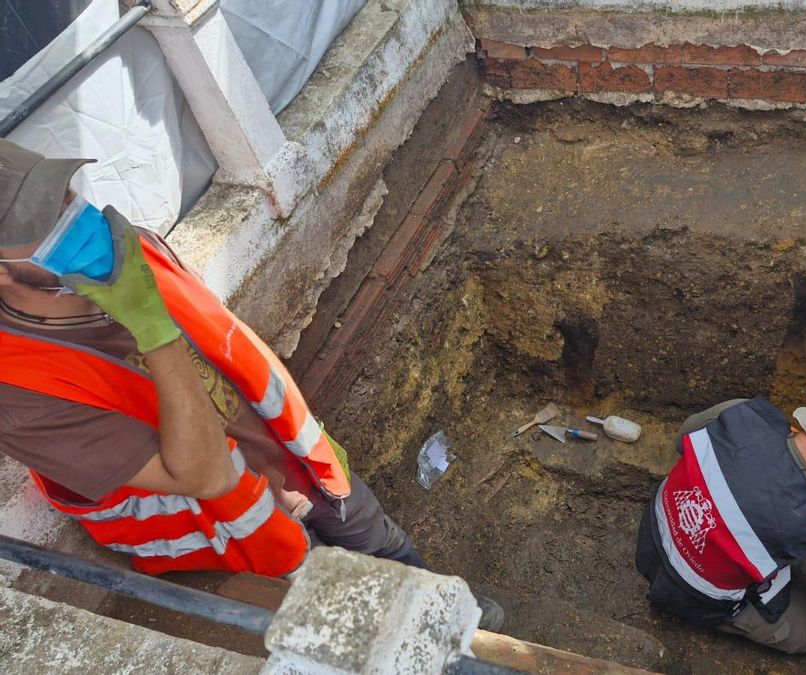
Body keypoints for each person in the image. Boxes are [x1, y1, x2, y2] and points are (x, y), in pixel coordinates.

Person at [0, 140, 502, 629]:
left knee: (378, 537)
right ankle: (430, 647)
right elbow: (207, 477)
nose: (77, 220)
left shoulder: (135, 251)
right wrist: (151, 327)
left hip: (294, 457)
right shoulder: (20, 392)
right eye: (44, 226)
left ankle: (448, 611)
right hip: (236, 524)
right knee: (354, 609)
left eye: (65, 197)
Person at [635, 388, 806, 654]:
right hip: (688, 593)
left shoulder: (740, 411)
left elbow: (683, 439)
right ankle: (721, 616)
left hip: (652, 535)